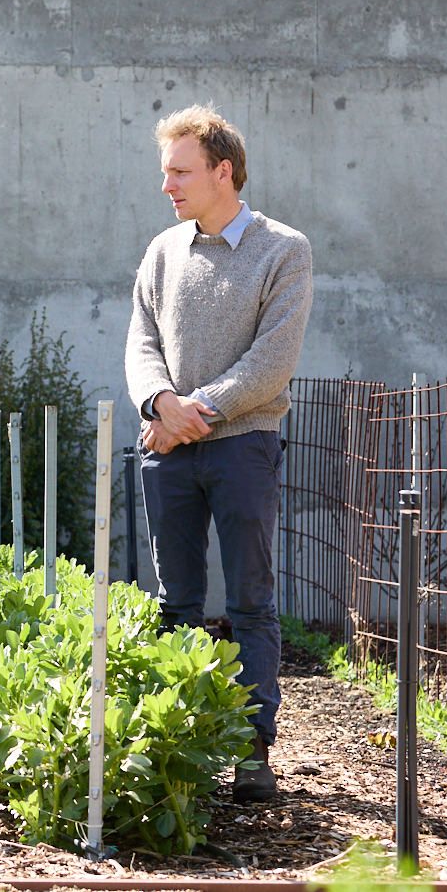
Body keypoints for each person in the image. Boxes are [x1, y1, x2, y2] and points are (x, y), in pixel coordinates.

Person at [125, 104, 312, 803]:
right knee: (175, 602)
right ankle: (183, 747)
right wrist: (158, 406)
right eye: (165, 171)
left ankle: (252, 747)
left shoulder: (283, 249)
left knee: (251, 601)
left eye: (179, 171)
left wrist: (186, 414)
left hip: (243, 449)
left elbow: (272, 362)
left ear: (221, 171)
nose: (167, 185)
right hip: (167, 450)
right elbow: (140, 341)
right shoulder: (162, 251)